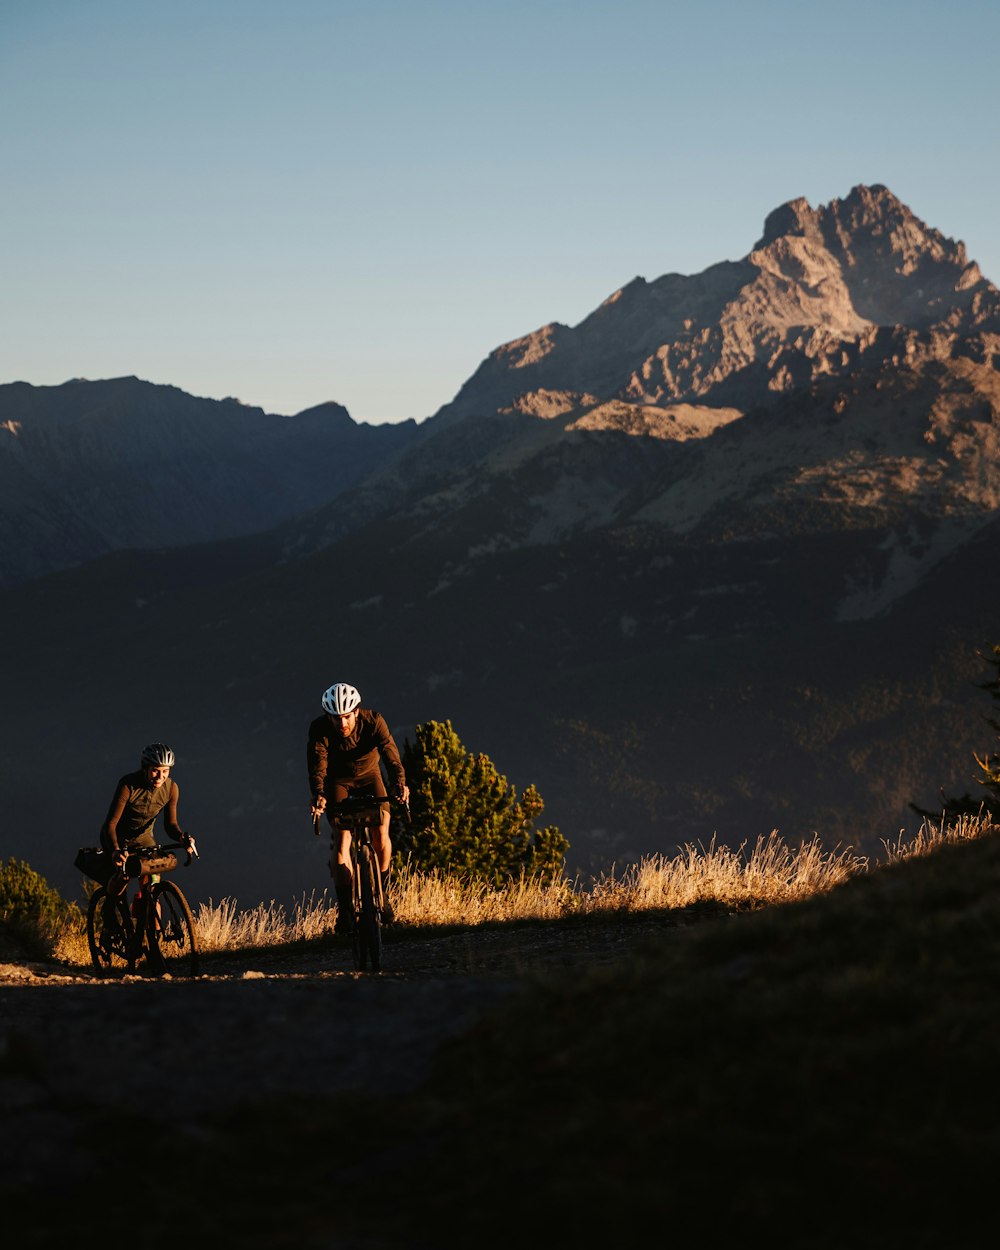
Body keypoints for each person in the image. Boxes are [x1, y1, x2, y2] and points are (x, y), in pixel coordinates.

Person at [307, 682, 409, 932]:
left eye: (347, 717)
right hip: (338, 782)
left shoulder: (374, 721)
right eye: (336, 718)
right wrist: (319, 794)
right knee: (342, 840)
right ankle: (345, 912)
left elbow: (390, 754)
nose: (342, 724)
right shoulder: (319, 729)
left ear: (356, 712)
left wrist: (399, 785)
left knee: (381, 833)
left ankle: (383, 897)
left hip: (369, 776)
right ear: (328, 717)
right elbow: (317, 765)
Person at [99, 742, 195, 963]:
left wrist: (182, 837)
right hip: (117, 839)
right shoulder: (128, 785)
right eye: (155, 770)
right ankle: (108, 908)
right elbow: (110, 825)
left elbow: (171, 825)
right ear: (144, 768)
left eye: (165, 771)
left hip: (145, 841)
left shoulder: (171, 789)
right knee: (123, 874)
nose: (159, 776)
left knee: (151, 887)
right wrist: (115, 852)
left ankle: (152, 941)